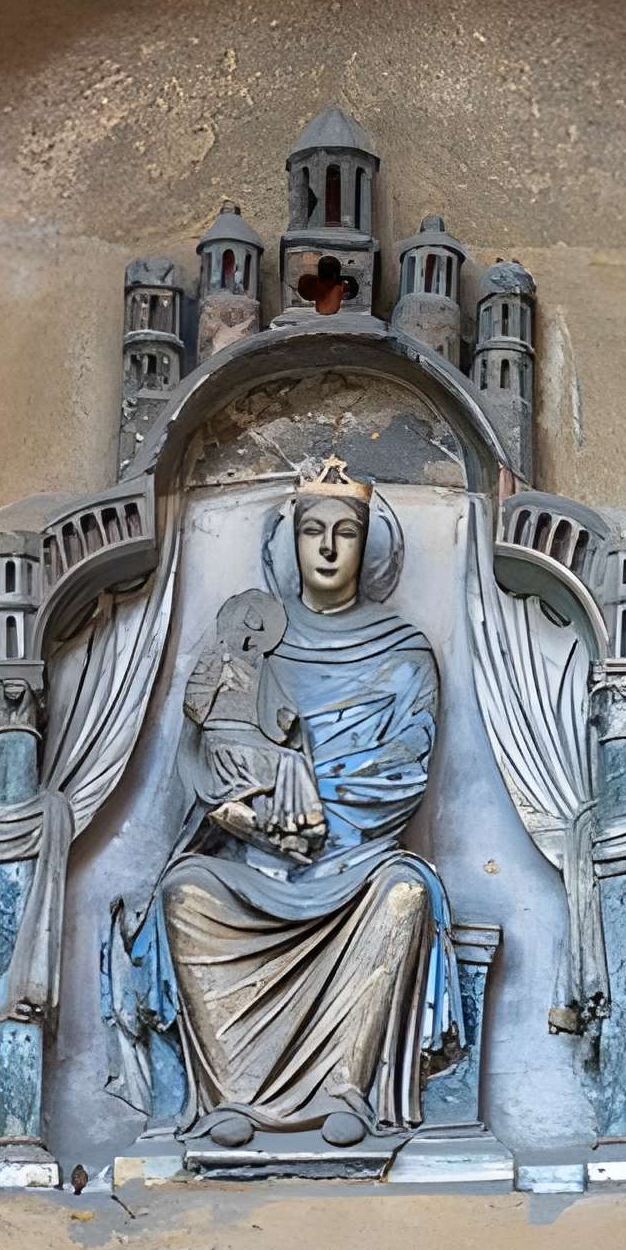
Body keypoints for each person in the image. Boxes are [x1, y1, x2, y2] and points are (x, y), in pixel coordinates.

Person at [106, 457, 462, 1148]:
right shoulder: (247, 644)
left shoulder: (404, 654)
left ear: (369, 547)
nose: (328, 548)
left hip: (352, 862)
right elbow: (205, 757)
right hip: (253, 863)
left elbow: (401, 773)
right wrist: (244, 814)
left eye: (346, 532)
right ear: (289, 543)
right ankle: (233, 1095)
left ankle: (345, 1090)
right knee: (185, 892)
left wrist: (311, 815)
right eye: (312, 531)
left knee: (404, 893)